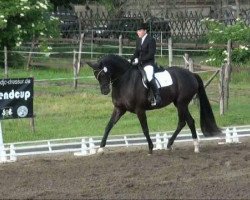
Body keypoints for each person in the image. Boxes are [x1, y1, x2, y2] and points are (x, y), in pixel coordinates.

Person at [130, 22, 162, 106]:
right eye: (137, 31)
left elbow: (151, 54)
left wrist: (139, 60)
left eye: (140, 30)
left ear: (145, 31)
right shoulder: (138, 40)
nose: (138, 32)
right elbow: (136, 52)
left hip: (148, 64)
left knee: (149, 77)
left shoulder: (151, 40)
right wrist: (130, 60)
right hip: (140, 64)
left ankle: (157, 96)